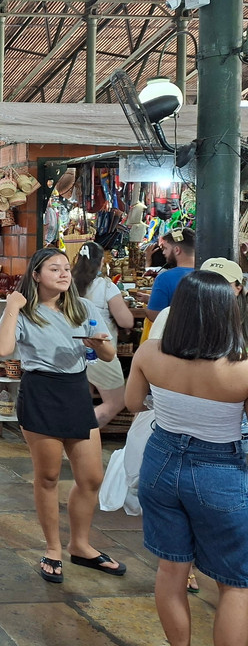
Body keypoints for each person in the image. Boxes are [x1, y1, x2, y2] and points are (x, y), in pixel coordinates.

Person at [126, 271, 248, 646]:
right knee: (236, 583)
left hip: (160, 460)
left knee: (171, 569)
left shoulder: (149, 353)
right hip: (221, 470)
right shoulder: (242, 369)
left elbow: (133, 404)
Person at [0, 247, 123, 584]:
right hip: (42, 392)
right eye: (55, 269)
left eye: (67, 268)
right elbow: (3, 350)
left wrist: (99, 342)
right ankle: (53, 548)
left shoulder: (84, 308)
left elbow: (107, 354)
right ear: (36, 275)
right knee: (48, 476)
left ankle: (80, 545)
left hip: (77, 391)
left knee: (92, 477)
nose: (64, 274)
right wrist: (11, 307)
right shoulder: (25, 312)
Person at [71, 241, 135, 426]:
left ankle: (71, 436)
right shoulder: (105, 286)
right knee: (117, 401)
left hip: (73, 350)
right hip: (99, 351)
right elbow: (126, 321)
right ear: (100, 263)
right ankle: (82, 432)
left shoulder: (67, 284)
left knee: (81, 401)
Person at [145, 228, 195, 322]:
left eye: (166, 248)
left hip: (176, 333)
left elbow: (154, 315)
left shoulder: (165, 278)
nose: (163, 252)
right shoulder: (209, 274)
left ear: (177, 250)